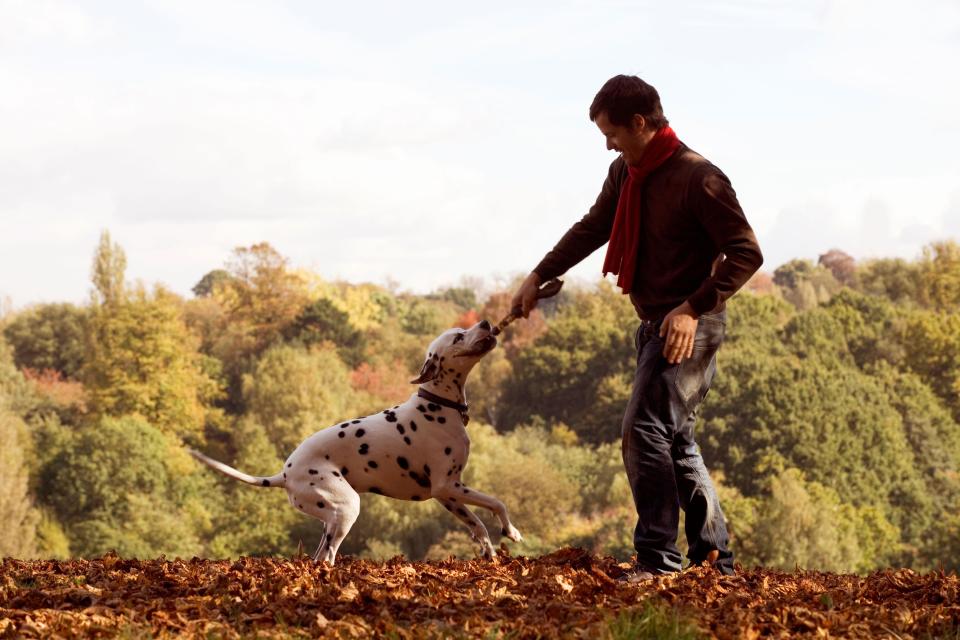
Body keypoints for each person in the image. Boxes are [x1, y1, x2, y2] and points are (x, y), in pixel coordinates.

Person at [510, 74, 763, 579]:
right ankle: (715, 558)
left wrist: (692, 308)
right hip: (653, 325)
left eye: (613, 133)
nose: (608, 144)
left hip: (691, 326)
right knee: (674, 440)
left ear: (641, 123)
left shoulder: (699, 177)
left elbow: (746, 253)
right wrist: (540, 273)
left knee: (643, 431)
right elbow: (593, 227)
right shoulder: (625, 173)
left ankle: (657, 561)